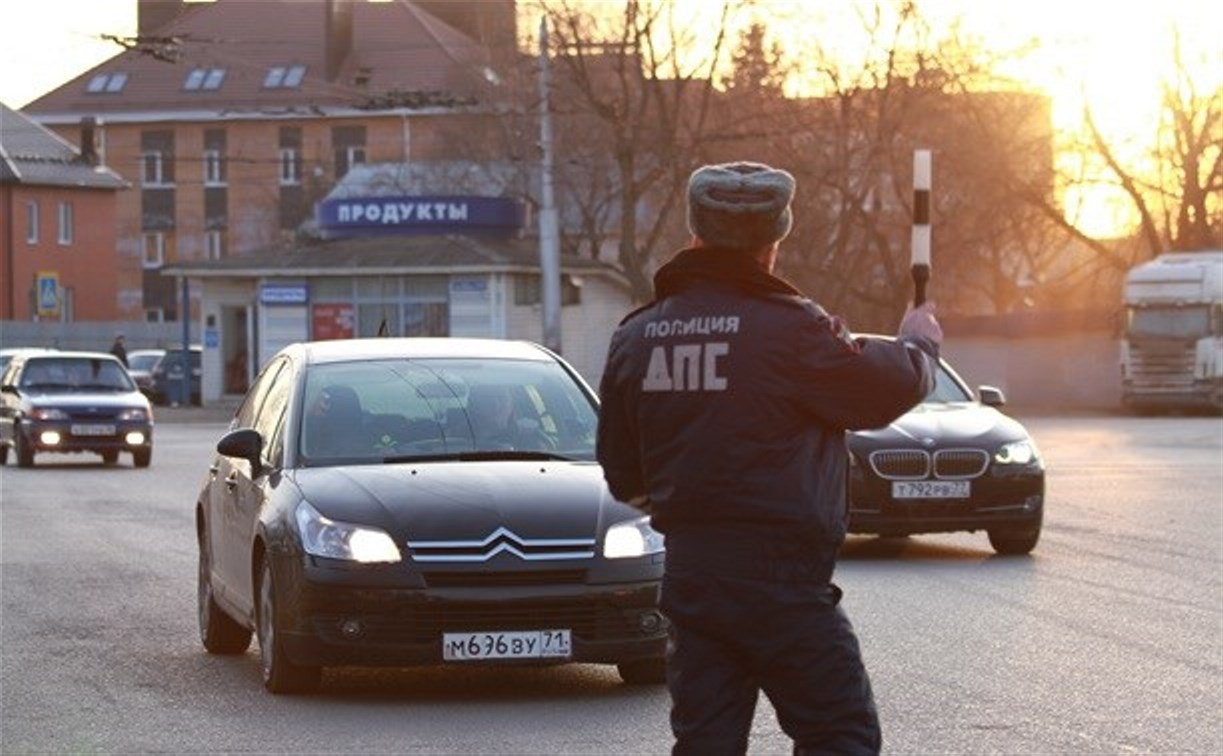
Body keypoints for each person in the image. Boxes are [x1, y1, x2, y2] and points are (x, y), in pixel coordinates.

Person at [596, 161, 943, 755]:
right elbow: (882, 389)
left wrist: (695, 516)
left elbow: (622, 474)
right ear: (772, 245)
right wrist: (919, 341)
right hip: (781, 582)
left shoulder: (638, 336)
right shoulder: (792, 330)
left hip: (694, 577)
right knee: (840, 736)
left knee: (706, 744)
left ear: (695, 234)